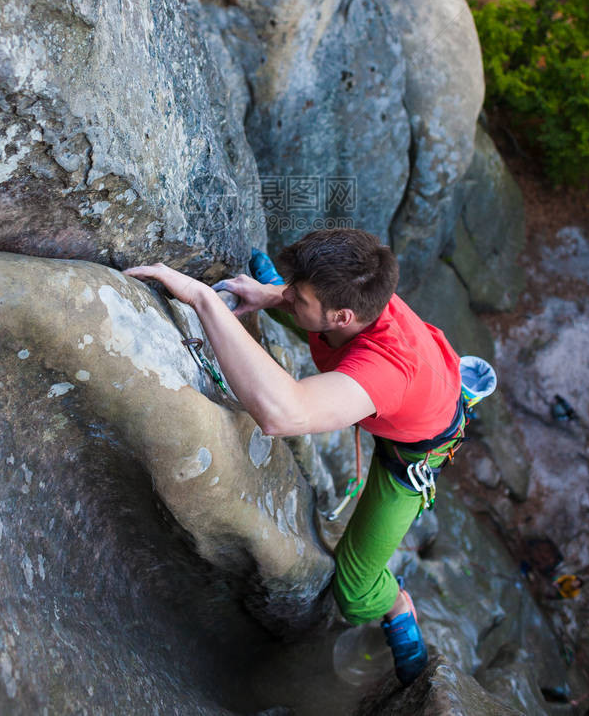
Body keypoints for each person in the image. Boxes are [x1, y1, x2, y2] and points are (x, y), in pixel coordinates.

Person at [124, 228, 465, 686]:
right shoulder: (361, 296)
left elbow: (282, 413)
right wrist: (268, 296)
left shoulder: (384, 370)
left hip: (413, 451)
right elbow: (318, 313)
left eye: (296, 293)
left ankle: (397, 605)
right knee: (304, 319)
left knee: (354, 591)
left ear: (343, 314)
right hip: (416, 385)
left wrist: (205, 301)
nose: (287, 293)